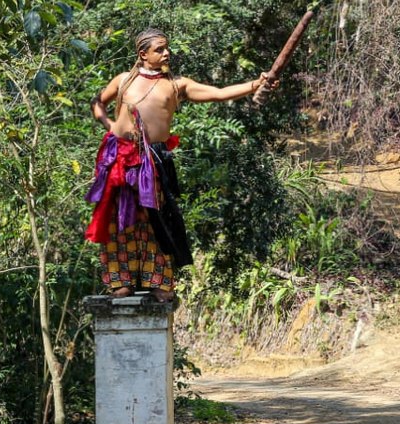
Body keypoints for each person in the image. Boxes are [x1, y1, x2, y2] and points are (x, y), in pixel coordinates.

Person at [86, 28, 278, 302]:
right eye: (160, 49)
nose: (167, 53)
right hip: (119, 159)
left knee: (156, 220)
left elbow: (219, 93)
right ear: (143, 54)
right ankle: (121, 282)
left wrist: (254, 85)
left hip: (152, 161)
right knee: (120, 221)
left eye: (167, 48)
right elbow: (97, 102)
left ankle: (159, 282)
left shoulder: (177, 85)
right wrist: (109, 126)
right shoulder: (123, 81)